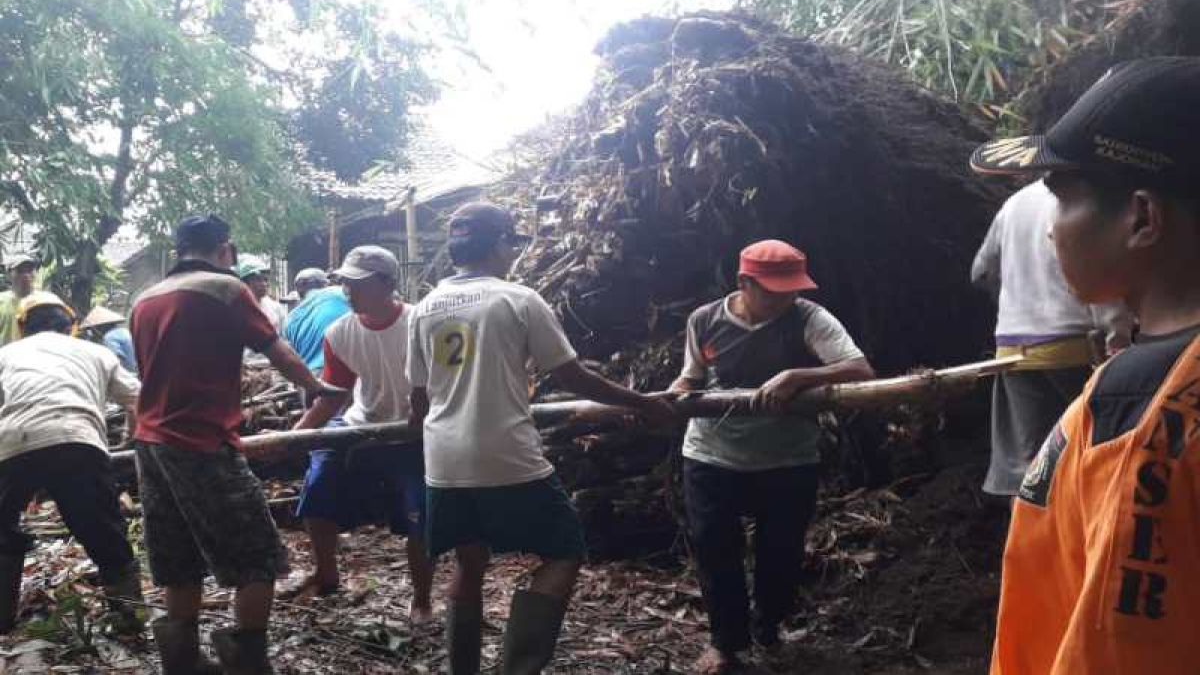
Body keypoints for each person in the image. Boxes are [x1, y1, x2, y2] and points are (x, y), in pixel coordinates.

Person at [970, 58, 1200, 674]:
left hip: (1020, 349)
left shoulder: (1138, 412)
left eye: (1062, 200)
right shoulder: (1124, 388)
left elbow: (1120, 643)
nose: (1052, 233)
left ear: (1142, 219)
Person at [407, 203, 675, 675]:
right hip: (505, 454)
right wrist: (643, 402)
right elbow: (572, 376)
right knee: (565, 549)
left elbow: (418, 396)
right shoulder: (517, 299)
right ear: (500, 244)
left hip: (444, 460)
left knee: (469, 562)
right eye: (512, 243)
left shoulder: (425, 307)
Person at [130, 214, 345, 674]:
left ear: (178, 249)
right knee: (258, 555)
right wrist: (317, 386)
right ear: (225, 250)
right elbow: (277, 349)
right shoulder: (226, 290)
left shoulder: (143, 300)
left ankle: (182, 661)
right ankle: (246, 659)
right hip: (201, 441)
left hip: (149, 443)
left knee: (177, 555)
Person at [669, 240, 875, 674]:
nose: (786, 298)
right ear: (744, 282)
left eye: (792, 289)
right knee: (714, 549)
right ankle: (726, 643)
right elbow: (691, 378)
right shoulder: (705, 321)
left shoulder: (809, 318)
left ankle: (768, 628)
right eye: (774, 290)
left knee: (780, 551)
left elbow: (859, 370)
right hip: (711, 455)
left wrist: (799, 375)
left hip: (788, 458)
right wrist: (661, 404)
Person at [286, 246, 432, 621]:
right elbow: (334, 396)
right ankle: (326, 571)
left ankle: (421, 599)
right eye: (346, 284)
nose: (348, 292)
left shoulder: (420, 324)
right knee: (318, 485)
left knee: (418, 508)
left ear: (387, 283)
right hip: (359, 424)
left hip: (411, 432)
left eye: (358, 284)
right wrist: (295, 436)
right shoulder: (340, 332)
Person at [971, 180, 1131, 497]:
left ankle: (1027, 539)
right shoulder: (1084, 198)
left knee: (1029, 467)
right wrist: (1120, 342)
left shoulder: (1013, 204)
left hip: (1013, 349)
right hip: (1074, 347)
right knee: (1088, 455)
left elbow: (981, 271)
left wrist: (1014, 302)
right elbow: (1101, 278)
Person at [0, 292, 142, 634]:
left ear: (23, 327)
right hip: (77, 440)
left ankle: (2, 619)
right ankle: (129, 619)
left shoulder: (5, 354)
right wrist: (130, 440)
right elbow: (140, 398)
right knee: (103, 531)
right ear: (71, 325)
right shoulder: (96, 351)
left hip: (12, 443)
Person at [282, 269, 350, 377]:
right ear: (324, 284)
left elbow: (292, 354)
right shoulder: (338, 293)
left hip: (310, 378)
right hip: (342, 369)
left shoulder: (288, 320)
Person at [80, 305, 139, 374]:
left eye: (93, 329)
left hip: (129, 374)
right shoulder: (124, 331)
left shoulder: (109, 337)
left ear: (100, 327)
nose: (93, 333)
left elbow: (117, 358)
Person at [236, 257, 288, 332]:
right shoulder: (237, 309)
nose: (264, 284)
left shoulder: (276, 308)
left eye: (265, 280)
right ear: (245, 283)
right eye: (258, 280)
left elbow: (284, 336)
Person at [0, 255, 39, 346]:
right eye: (20, 271)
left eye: (29, 270)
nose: (25, 275)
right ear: (8, 274)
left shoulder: (44, 301)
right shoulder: (1, 301)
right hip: (5, 357)